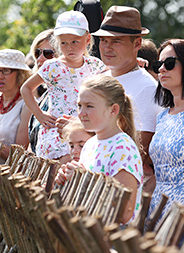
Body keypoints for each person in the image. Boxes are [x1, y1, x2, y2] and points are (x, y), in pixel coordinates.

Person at [91, 5, 162, 193]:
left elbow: (141, 150)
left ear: (137, 44)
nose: (107, 47)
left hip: (116, 189)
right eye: (103, 40)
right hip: (91, 179)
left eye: (116, 41)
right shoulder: (100, 76)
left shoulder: (146, 87)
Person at [55, 75, 143, 224]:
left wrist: (81, 179)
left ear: (113, 110)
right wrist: (67, 180)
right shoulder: (91, 144)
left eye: (89, 106)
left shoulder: (122, 149)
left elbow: (125, 212)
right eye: (79, 105)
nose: (81, 113)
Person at [21, 11, 106, 163]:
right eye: (63, 43)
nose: (69, 48)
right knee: (62, 167)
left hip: (84, 129)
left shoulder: (95, 65)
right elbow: (26, 88)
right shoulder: (53, 66)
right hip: (56, 131)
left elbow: (115, 76)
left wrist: (135, 64)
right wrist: (39, 115)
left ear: (87, 39)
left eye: (75, 42)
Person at [144, 39, 184, 230]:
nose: (161, 69)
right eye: (158, 65)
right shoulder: (162, 115)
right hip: (156, 211)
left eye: (169, 63)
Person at [25, 29, 58, 153]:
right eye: (37, 53)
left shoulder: (70, 96)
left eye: (48, 53)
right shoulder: (45, 96)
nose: (40, 59)